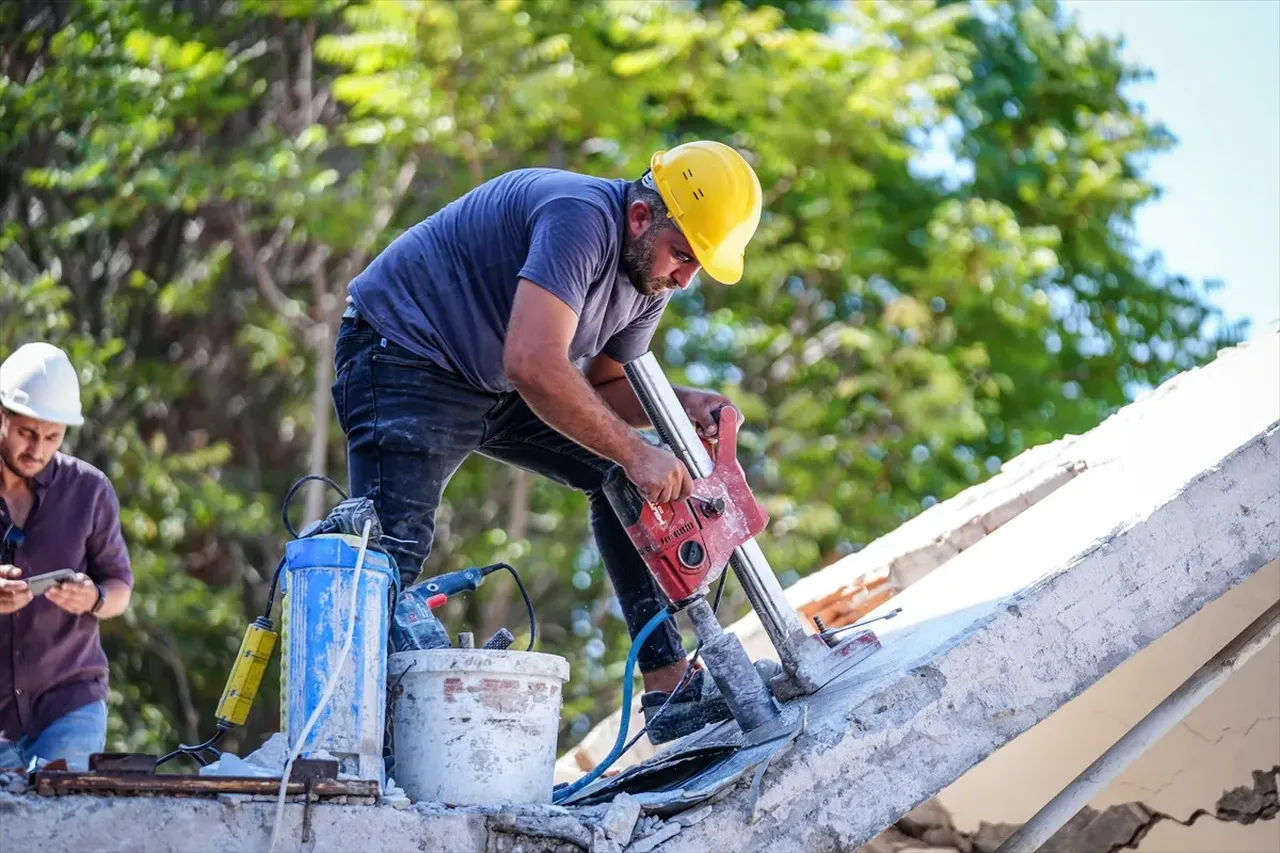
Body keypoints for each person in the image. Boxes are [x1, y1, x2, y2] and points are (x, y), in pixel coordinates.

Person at [333, 140, 767, 743]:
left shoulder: (649, 278)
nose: (685, 278)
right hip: (404, 356)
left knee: (619, 481)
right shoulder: (579, 217)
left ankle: (670, 689)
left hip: (495, 382)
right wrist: (638, 451)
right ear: (642, 217)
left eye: (697, 266)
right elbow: (534, 363)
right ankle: (349, 747)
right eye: (683, 256)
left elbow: (607, 386)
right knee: (389, 557)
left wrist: (680, 403)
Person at [0, 342, 134, 771]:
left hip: (69, 703)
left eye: (52, 437)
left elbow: (120, 588)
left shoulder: (90, 491)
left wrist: (93, 597)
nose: (38, 450)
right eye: (27, 433)